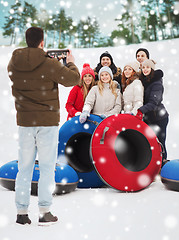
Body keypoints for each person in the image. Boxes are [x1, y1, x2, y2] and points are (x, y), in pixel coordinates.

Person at [7, 27, 80, 225]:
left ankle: (21, 213)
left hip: (25, 122)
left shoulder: (14, 61)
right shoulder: (49, 64)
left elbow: (17, 72)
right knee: (47, 168)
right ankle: (44, 212)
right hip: (47, 122)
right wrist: (70, 63)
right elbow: (74, 79)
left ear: (26, 40)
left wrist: (41, 58)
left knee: (24, 168)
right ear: (42, 41)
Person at [137, 59, 169, 167]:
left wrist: (141, 110)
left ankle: (163, 165)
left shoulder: (156, 83)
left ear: (152, 69)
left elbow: (153, 103)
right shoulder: (145, 81)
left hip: (159, 117)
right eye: (143, 67)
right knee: (150, 143)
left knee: (160, 142)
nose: (145, 69)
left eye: (148, 67)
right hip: (150, 118)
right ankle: (154, 165)